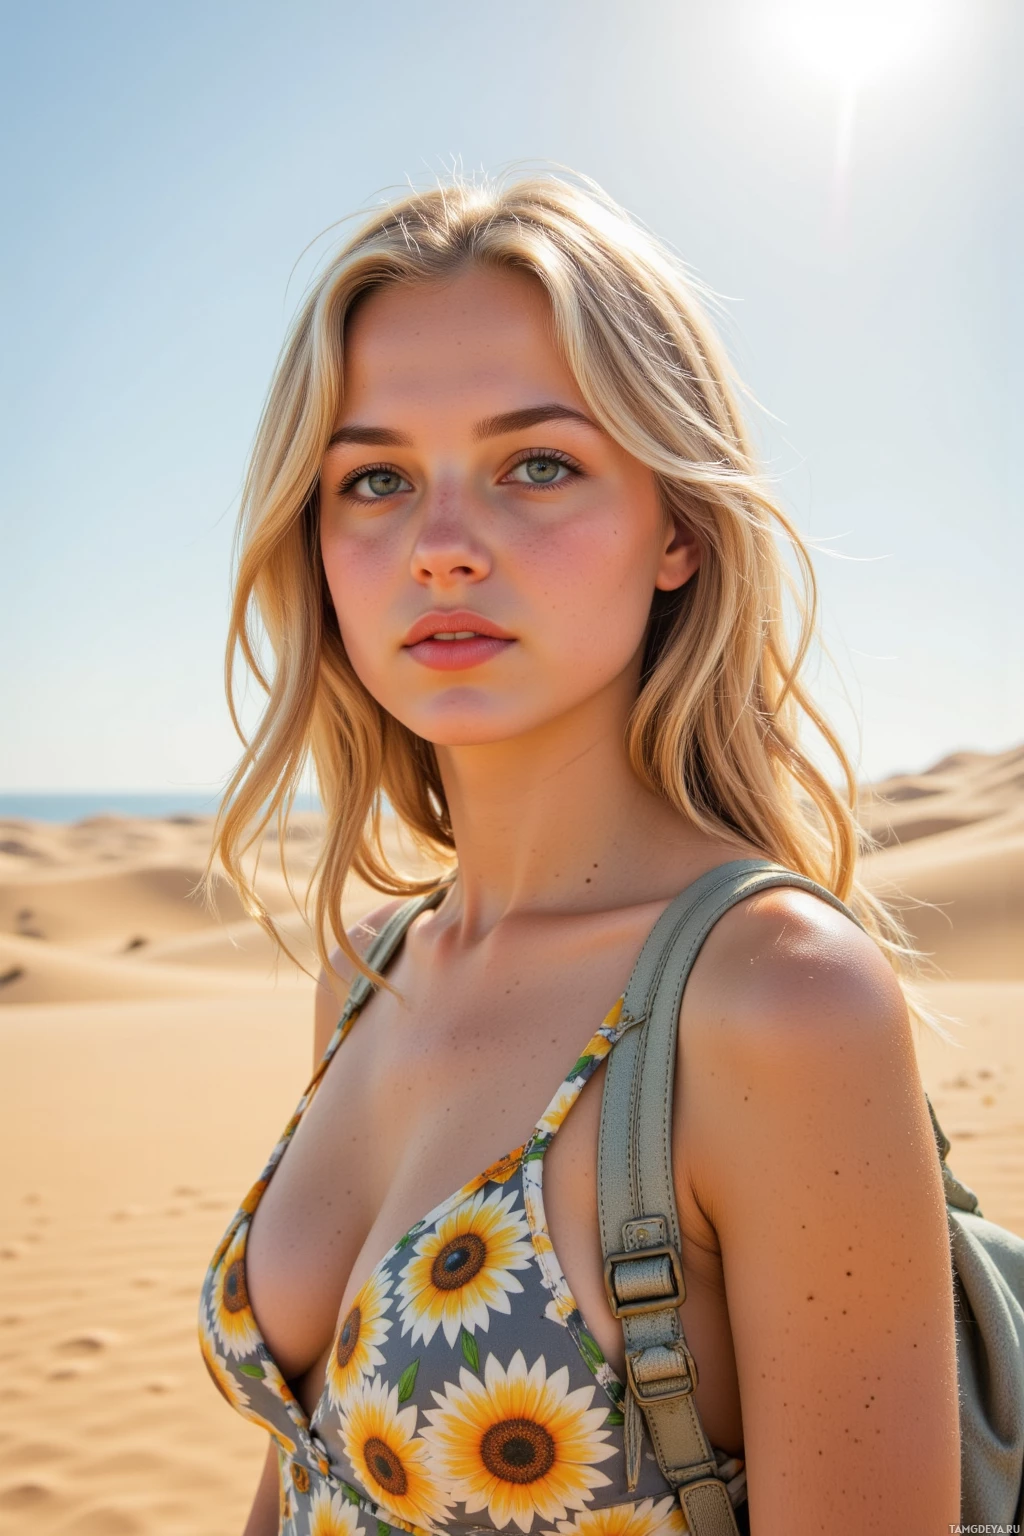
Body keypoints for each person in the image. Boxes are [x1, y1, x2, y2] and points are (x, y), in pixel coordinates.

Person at [199, 174, 960, 1536]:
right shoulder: (372, 972)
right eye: (373, 479)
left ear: (675, 527)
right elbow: (307, 1474)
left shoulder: (777, 999)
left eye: (536, 464)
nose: (439, 548)